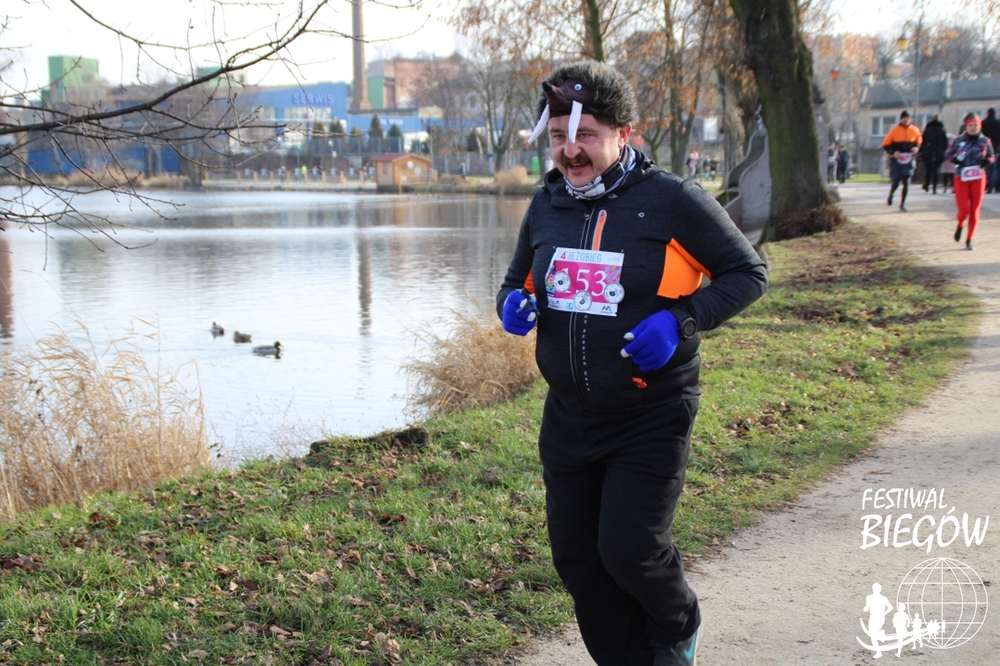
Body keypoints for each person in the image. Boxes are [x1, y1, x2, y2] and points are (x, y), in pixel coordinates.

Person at [499, 61, 768, 666]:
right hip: (569, 416)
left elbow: (748, 273)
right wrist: (512, 304)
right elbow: (517, 281)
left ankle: (677, 624)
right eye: (558, 136)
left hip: (651, 411)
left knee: (630, 551)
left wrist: (680, 320)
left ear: (624, 134)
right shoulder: (546, 204)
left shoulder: (671, 200)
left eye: (586, 134)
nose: (570, 150)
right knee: (578, 559)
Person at [945, 112, 996, 250]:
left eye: (976, 125)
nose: (973, 128)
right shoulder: (959, 140)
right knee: (964, 211)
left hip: (978, 178)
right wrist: (955, 159)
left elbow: (992, 156)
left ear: (980, 126)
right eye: (970, 125)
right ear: (966, 126)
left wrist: (987, 161)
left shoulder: (985, 141)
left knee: (974, 210)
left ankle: (969, 239)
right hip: (961, 177)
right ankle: (960, 224)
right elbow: (948, 155)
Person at [882, 110, 922, 212]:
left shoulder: (915, 130)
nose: (906, 119)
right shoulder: (894, 131)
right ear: (901, 119)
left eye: (908, 118)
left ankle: (902, 204)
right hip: (897, 160)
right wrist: (893, 152)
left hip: (909, 159)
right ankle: (891, 194)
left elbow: (919, 142)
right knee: (896, 181)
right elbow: (885, 145)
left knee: (906, 180)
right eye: (904, 118)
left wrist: (916, 148)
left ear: (910, 119)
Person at [920, 114, 948, 194]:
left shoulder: (927, 130)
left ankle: (926, 185)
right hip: (938, 152)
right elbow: (945, 143)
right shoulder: (942, 130)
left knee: (928, 170)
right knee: (936, 170)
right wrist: (942, 150)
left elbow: (922, 141)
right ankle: (934, 188)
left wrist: (922, 150)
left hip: (928, 152)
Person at [982, 107, 1000, 193]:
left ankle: (985, 184)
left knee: (985, 168)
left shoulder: (984, 123)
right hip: (995, 148)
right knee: (994, 168)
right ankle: (992, 186)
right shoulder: (997, 123)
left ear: (988, 113)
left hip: (984, 148)